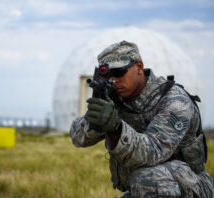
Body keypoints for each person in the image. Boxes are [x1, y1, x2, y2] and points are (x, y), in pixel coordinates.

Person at [70, 40, 214, 197]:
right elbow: (78, 138)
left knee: (148, 178)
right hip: (148, 187)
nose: (114, 80)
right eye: (108, 75)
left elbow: (153, 150)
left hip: (191, 186)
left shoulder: (174, 101)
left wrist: (115, 127)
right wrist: (95, 121)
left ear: (139, 67)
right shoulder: (115, 98)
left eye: (119, 72)